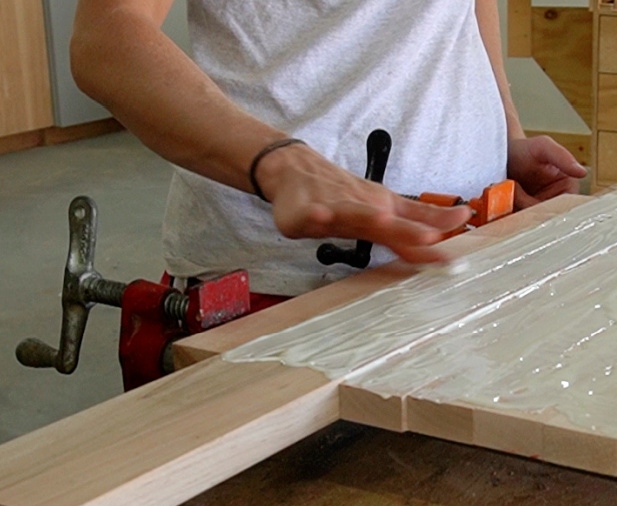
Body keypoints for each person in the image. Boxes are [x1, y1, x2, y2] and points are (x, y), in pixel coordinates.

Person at [70, 0, 588, 296]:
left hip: (469, 258)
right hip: (281, 289)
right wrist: (277, 162)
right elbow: (107, 38)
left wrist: (505, 136)